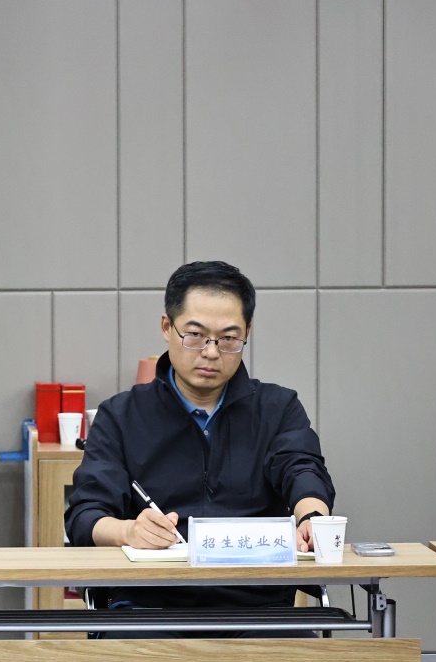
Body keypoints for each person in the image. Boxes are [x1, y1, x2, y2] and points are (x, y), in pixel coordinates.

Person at [64, 261, 335, 634]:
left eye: (228, 338)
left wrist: (312, 519)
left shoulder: (277, 408)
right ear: (167, 327)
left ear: (247, 333)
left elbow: (302, 469)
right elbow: (85, 515)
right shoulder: (121, 415)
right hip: (148, 608)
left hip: (260, 610)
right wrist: (129, 532)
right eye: (195, 335)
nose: (211, 352)